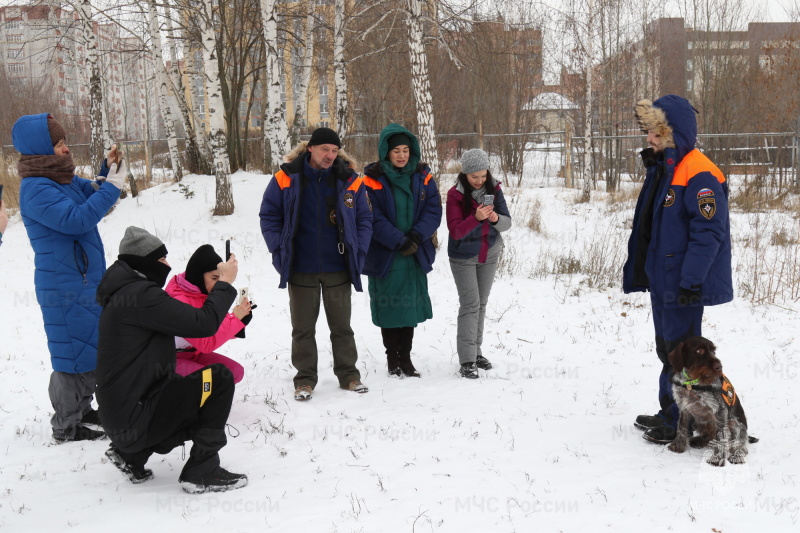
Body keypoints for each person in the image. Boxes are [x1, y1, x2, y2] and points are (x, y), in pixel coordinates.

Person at [96, 227, 247, 493]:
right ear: (145, 261)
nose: (168, 264)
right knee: (219, 378)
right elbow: (202, 324)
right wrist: (224, 283)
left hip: (125, 415)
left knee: (187, 392)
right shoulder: (141, 297)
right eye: (162, 259)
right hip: (133, 416)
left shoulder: (126, 294)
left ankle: (131, 455)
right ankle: (203, 470)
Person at [623, 95, 732, 444]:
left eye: (656, 134)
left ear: (675, 133)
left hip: (682, 285)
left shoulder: (698, 172)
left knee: (683, 357)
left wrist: (691, 281)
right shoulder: (669, 170)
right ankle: (670, 411)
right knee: (668, 351)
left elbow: (709, 231)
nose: (649, 140)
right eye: (649, 134)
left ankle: (683, 422)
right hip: (663, 281)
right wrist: (655, 167)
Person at [13, 113, 125, 443]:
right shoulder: (36, 189)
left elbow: (92, 193)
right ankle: (66, 425)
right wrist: (114, 188)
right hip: (63, 286)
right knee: (71, 355)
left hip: (82, 279)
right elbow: (77, 219)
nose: (65, 149)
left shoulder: (61, 179)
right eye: (59, 144)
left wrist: (107, 172)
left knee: (90, 348)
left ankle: (84, 410)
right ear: (41, 150)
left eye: (63, 142)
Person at [259, 127, 373, 401]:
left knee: (342, 327)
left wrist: (359, 247)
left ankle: (349, 376)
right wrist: (278, 247)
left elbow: (365, 218)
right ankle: (305, 380)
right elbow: (269, 214)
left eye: (334, 151)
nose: (330, 155)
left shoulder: (350, 180)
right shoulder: (286, 177)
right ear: (310, 148)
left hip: (338, 266)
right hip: (301, 268)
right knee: (303, 328)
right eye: (325, 150)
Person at [361, 124, 442, 377]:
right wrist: (400, 241)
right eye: (396, 150)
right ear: (386, 151)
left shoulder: (423, 176)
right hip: (386, 254)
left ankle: (406, 358)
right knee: (389, 309)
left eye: (406, 150)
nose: (402, 155)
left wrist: (417, 235)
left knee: (409, 309)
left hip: (414, 252)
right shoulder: (371, 179)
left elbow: (433, 208)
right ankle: (392, 359)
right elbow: (372, 217)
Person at [446, 148, 512, 379]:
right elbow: (455, 231)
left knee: (481, 304)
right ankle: (466, 360)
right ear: (464, 174)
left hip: (489, 253)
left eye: (483, 176)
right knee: (470, 304)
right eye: (474, 177)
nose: (479, 181)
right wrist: (476, 218)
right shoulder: (455, 195)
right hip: (463, 257)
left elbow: (507, 223)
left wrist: (495, 219)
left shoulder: (494, 190)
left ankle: (476, 352)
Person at [165, 244, 252, 383]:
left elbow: (215, 327)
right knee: (210, 380)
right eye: (214, 278)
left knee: (234, 372)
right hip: (168, 359)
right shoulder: (179, 301)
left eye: (220, 278)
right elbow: (206, 342)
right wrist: (235, 319)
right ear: (198, 276)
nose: (218, 284)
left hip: (193, 354)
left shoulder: (203, 294)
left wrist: (240, 321)